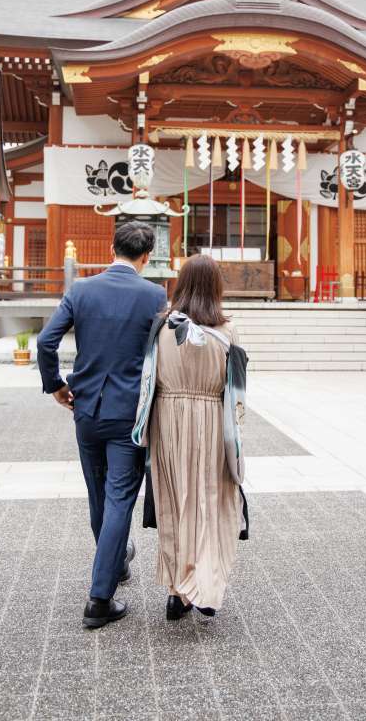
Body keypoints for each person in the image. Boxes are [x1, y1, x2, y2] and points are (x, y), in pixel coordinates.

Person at [37, 221, 166, 629]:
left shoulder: (81, 290)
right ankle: (98, 598)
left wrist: (56, 385)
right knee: (119, 501)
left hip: (87, 410)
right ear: (146, 256)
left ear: (112, 248)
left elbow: (45, 342)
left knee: (99, 496)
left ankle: (114, 563)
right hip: (129, 416)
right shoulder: (154, 295)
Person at [147, 254, 244, 621]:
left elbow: (150, 380)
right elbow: (236, 389)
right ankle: (203, 585)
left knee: (176, 501)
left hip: (169, 421)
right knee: (210, 501)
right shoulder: (228, 330)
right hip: (212, 420)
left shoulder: (160, 328)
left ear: (180, 284)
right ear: (216, 287)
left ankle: (178, 590)